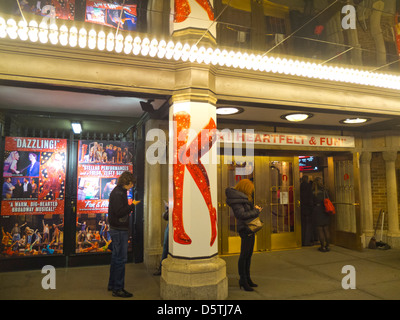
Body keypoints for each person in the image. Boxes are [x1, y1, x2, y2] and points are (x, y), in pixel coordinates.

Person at [225, 179, 262, 292]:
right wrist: (256, 211)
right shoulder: (237, 200)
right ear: (246, 188)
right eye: (250, 189)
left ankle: (248, 278)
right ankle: (243, 280)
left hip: (250, 228)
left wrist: (254, 209)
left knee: (249, 255)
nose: (251, 191)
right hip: (245, 229)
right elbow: (241, 214)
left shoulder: (243, 198)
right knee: (244, 255)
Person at [107, 171, 140, 298]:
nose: (132, 186)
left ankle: (112, 285)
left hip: (117, 229)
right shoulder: (118, 193)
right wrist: (132, 206)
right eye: (131, 184)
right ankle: (118, 288)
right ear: (127, 182)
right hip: (119, 230)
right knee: (120, 259)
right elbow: (120, 212)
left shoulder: (118, 191)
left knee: (116, 258)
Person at [312, 177, 331, 252]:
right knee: (326, 228)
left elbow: (311, 201)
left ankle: (322, 246)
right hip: (325, 210)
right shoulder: (325, 190)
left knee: (320, 229)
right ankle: (328, 246)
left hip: (317, 210)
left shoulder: (313, 191)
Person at [154, 202, 169, 276]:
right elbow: (166, 216)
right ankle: (161, 268)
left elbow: (166, 216)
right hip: (171, 225)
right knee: (165, 247)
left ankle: (161, 268)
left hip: (173, 226)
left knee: (166, 247)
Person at [300, 175, 313, 246]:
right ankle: (307, 242)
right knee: (308, 226)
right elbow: (310, 198)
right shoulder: (308, 187)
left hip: (302, 208)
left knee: (303, 226)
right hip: (308, 209)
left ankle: (301, 240)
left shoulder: (300, 186)